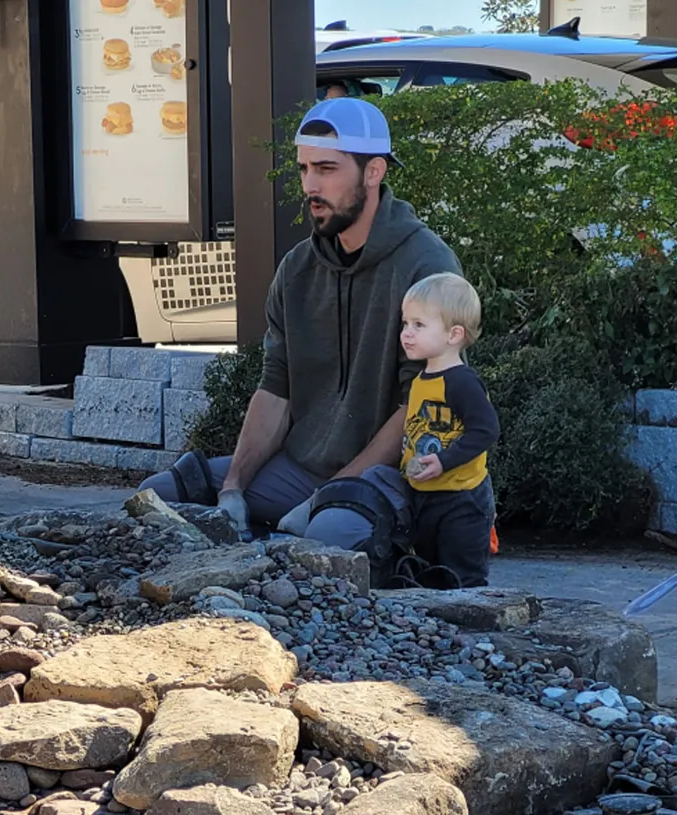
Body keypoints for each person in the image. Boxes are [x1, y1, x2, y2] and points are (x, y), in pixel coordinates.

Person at [138, 97, 463, 548]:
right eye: (304, 169)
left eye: (327, 169)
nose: (311, 184)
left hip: (390, 476)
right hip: (299, 469)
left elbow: (418, 405)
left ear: (374, 172)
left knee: (327, 535)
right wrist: (233, 488)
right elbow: (276, 388)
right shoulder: (297, 270)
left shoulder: (427, 267)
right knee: (159, 496)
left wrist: (329, 496)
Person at [397, 273, 500, 587]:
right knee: (431, 575)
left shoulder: (461, 381)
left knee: (463, 578)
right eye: (405, 324)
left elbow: (486, 430)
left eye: (419, 325)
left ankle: (475, 633)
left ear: (454, 334)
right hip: (424, 496)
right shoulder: (420, 381)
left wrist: (444, 461)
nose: (406, 334)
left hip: (462, 499)